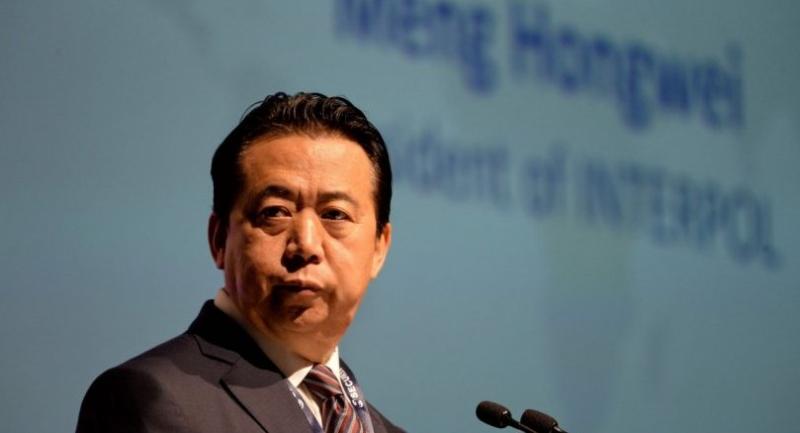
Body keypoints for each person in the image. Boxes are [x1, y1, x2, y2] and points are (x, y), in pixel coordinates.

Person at [76, 92, 404, 433]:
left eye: (335, 214)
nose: (306, 244)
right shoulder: (150, 400)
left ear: (379, 247)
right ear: (219, 239)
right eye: (275, 212)